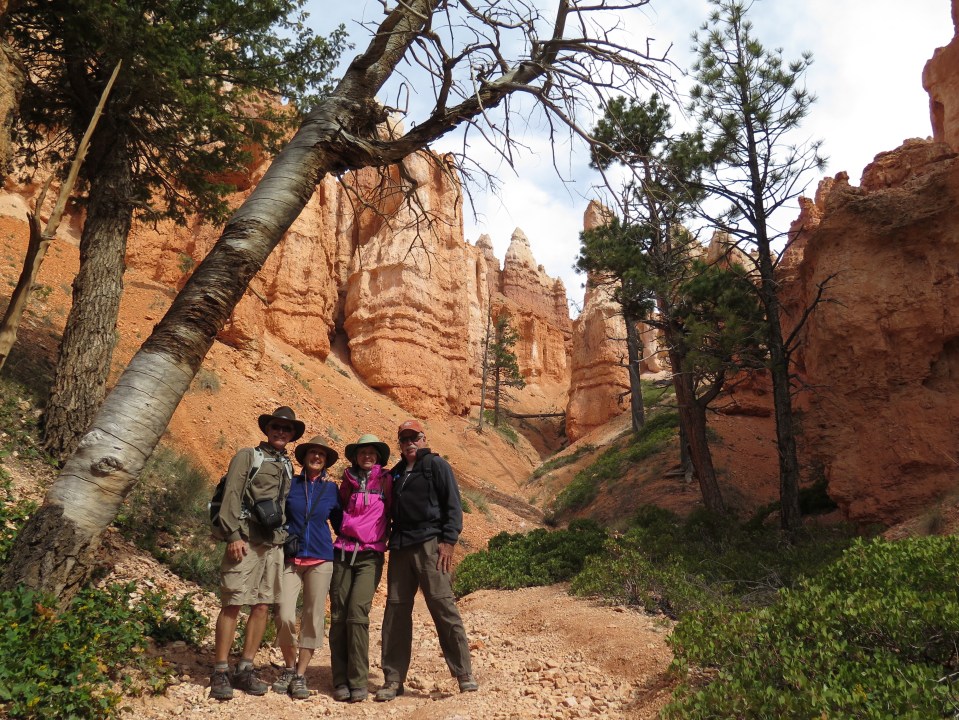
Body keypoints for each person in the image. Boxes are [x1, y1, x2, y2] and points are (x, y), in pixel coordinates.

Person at [375, 419, 478, 702]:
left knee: (443, 605)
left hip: (431, 545)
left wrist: (449, 542)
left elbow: (453, 506)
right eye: (404, 439)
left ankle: (463, 673)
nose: (409, 443)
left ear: (424, 438)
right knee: (395, 612)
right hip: (400, 547)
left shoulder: (436, 466)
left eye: (414, 437)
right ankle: (393, 679)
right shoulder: (396, 473)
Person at [209, 406, 302, 701]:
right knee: (234, 603)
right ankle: (221, 670)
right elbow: (231, 495)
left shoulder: (287, 465)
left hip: (273, 544)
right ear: (267, 429)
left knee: (262, 605)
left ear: (291, 436)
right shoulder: (248, 456)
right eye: (276, 427)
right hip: (245, 540)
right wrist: (233, 534)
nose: (280, 432)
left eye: (286, 429)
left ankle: (245, 668)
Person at [272, 435, 343, 700]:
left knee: (313, 618)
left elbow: (339, 522)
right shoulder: (290, 485)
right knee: (284, 613)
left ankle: (300, 674)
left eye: (321, 455)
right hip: (291, 557)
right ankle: (289, 667)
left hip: (321, 558)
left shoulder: (331, 490)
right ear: (304, 458)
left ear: (326, 462)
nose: (316, 457)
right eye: (313, 453)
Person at [329, 433, 393, 703]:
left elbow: (394, 511)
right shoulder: (347, 482)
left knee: (357, 612)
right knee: (339, 613)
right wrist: (343, 531)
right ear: (355, 457)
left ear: (378, 457)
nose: (368, 456)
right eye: (362, 452)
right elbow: (337, 511)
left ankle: (358, 680)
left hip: (370, 554)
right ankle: (340, 680)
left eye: (372, 453)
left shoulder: (387, 481)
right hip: (343, 551)